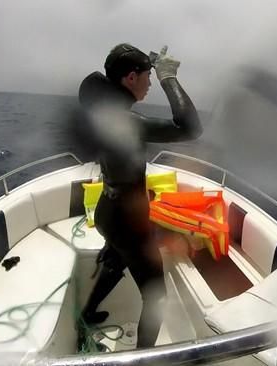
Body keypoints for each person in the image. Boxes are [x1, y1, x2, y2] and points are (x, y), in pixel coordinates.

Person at [77, 43, 202, 348]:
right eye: (147, 76)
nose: (149, 83)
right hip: (125, 221)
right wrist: (168, 77)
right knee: (156, 295)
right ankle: (143, 358)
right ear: (130, 78)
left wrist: (153, 65)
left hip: (108, 210)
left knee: (117, 260)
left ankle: (87, 314)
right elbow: (189, 127)